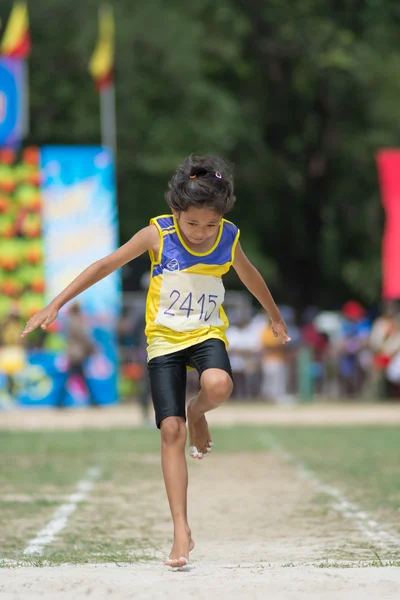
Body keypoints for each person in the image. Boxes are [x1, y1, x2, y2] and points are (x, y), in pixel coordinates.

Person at [21, 155, 290, 568]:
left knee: (218, 386)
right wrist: (56, 304)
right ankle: (181, 531)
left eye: (210, 225)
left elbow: (251, 275)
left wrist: (273, 315)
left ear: (222, 219)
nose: (201, 234)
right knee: (169, 431)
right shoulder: (157, 234)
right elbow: (105, 264)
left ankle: (198, 413)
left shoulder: (229, 238)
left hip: (205, 334)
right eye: (193, 224)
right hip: (163, 341)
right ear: (176, 212)